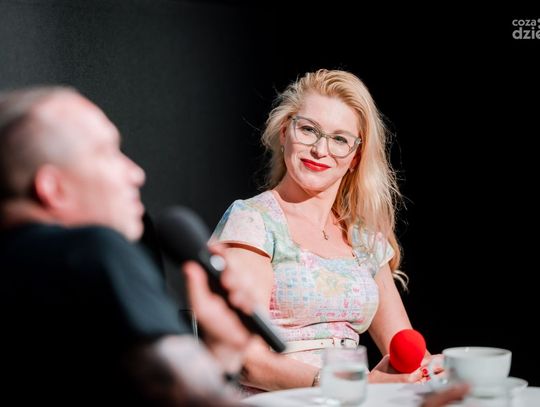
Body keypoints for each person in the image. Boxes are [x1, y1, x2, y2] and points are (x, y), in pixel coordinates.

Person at [0, 86, 253, 405]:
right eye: (106, 153)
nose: (136, 173)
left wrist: (222, 350)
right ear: (53, 188)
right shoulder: (92, 250)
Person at [211, 69, 437, 393]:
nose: (320, 149)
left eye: (339, 139)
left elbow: (406, 351)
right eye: (308, 130)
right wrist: (337, 384)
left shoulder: (364, 240)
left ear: (356, 157)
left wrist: (437, 370)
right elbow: (244, 358)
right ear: (285, 132)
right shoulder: (253, 220)